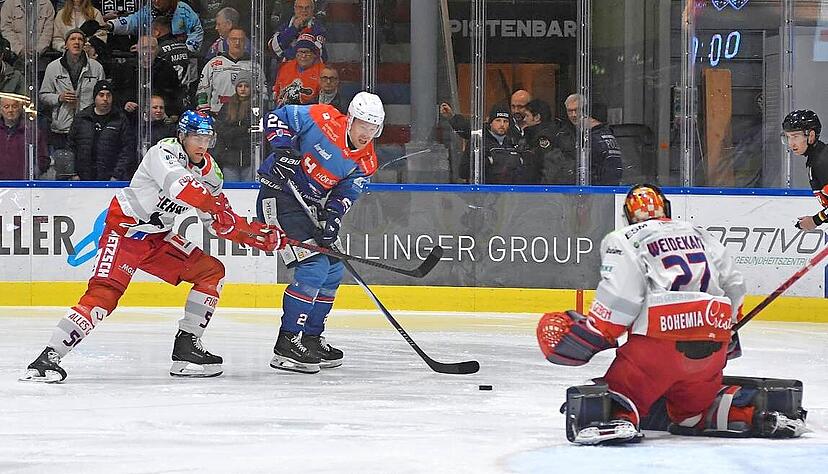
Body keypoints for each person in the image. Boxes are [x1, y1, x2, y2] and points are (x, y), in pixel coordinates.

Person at [21, 110, 286, 383]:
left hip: (158, 238)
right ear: (182, 135)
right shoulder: (163, 152)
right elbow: (181, 188)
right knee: (104, 296)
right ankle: (48, 358)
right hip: (125, 232)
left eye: (207, 138)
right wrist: (215, 205)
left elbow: (220, 223)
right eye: (196, 136)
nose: (202, 144)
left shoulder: (212, 173)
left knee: (210, 272)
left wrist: (257, 236)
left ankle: (187, 349)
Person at [536, 184, 807, 445]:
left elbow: (622, 297)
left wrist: (596, 330)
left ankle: (618, 417)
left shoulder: (625, 237)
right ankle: (752, 414)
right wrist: (730, 326)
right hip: (711, 346)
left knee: (617, 397)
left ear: (628, 215)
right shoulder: (698, 233)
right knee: (691, 413)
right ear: (666, 208)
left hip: (657, 347)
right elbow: (734, 284)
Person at [255, 91, 384, 374]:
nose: (367, 133)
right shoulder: (322, 117)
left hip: (308, 206)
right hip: (277, 197)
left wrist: (333, 218)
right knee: (313, 265)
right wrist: (283, 145)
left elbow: (346, 192)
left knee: (334, 270)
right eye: (363, 124)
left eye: (373, 128)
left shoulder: (366, 160)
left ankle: (311, 339)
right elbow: (276, 117)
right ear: (350, 119)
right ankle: (286, 343)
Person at [39, 28, 106, 154]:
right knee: (63, 167)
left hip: (88, 127)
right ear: (66, 44)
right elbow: (43, 95)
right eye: (72, 39)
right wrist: (59, 98)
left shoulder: (96, 68)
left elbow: (103, 96)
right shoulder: (53, 67)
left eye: (80, 39)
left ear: (84, 44)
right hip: (62, 128)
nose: (77, 42)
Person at [440, 101, 526, 184]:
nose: (502, 124)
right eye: (498, 120)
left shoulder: (513, 142)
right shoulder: (478, 141)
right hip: (483, 193)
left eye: (505, 121)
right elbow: (464, 171)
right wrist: (487, 162)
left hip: (509, 194)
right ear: (490, 122)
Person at [67, 80, 135, 180]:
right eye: (101, 95)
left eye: (108, 95)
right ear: (95, 97)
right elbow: (70, 147)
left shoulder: (120, 119)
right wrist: (73, 173)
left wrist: (117, 175)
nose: (105, 99)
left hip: (110, 179)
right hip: (82, 178)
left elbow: (127, 150)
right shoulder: (81, 118)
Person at [555, 94, 623, 185]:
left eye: (577, 110)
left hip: (595, 191)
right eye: (570, 111)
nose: (574, 115)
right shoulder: (563, 133)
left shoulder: (594, 139)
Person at [196, 27, 261, 114]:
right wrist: (205, 114)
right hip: (217, 116)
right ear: (227, 41)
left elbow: (262, 95)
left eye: (241, 40)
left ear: (245, 42)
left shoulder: (255, 67)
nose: (237, 43)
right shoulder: (213, 64)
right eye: (234, 39)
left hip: (245, 118)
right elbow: (202, 91)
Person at [782, 110, 828, 231]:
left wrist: (816, 220)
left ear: (811, 136)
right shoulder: (817, 158)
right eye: (788, 137)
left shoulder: (822, 161)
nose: (791, 143)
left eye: (795, 136)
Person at [103, 0, 204, 54]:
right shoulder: (148, 10)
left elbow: (196, 35)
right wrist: (110, 25)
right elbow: (132, 22)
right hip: (156, 58)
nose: (155, 1)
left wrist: (185, 51)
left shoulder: (185, 12)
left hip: (182, 57)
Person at [213, 71, 253, 181]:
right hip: (229, 160)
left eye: (246, 86)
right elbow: (220, 130)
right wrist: (243, 130)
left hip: (250, 160)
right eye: (240, 86)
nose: (243, 89)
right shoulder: (227, 106)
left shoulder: (256, 106)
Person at [0, 95, 49, 180]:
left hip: (24, 186)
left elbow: (43, 159)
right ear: (1, 109)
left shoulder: (32, 132)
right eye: (6, 107)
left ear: (20, 109)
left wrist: (32, 174)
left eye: (14, 106)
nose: (10, 110)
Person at [272, 33, 324, 106]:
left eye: (307, 52)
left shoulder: (323, 71)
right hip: (284, 111)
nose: (303, 55)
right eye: (300, 52)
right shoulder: (285, 67)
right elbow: (276, 92)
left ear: (314, 54)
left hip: (309, 112)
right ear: (296, 54)